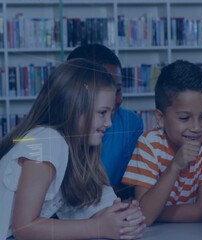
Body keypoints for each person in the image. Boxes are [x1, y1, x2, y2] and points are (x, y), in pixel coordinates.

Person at [0, 59, 145, 239]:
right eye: (102, 113)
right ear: (75, 107)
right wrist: (99, 227)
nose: (108, 123)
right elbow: (24, 228)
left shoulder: (78, 149)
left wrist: (124, 216)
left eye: (111, 113)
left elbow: (100, 211)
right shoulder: (48, 139)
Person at [121, 60, 202, 226]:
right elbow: (145, 214)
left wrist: (152, 211)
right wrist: (175, 166)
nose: (196, 128)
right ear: (160, 118)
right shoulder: (149, 144)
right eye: (184, 118)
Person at [67, 44, 144, 200]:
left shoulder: (131, 124)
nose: (118, 99)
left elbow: (135, 186)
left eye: (119, 89)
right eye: (106, 90)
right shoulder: (52, 136)